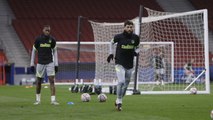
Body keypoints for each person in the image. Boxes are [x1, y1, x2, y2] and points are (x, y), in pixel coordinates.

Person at [107, 20, 140, 111]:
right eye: (128, 27)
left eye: (131, 27)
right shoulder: (118, 37)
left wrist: (136, 52)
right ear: (124, 28)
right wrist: (110, 53)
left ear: (133, 28)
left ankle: (119, 99)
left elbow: (137, 48)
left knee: (126, 85)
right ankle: (119, 100)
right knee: (121, 81)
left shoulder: (136, 38)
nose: (129, 29)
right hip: (119, 63)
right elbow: (111, 43)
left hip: (129, 65)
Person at [30, 25, 59, 105]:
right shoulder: (38, 40)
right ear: (43, 30)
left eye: (49, 30)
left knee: (52, 81)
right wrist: (32, 64)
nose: (47, 32)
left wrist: (56, 64)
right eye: (46, 30)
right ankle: (38, 100)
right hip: (40, 63)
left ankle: (53, 100)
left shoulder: (52, 40)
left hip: (50, 63)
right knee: (39, 81)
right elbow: (33, 51)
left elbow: (55, 52)